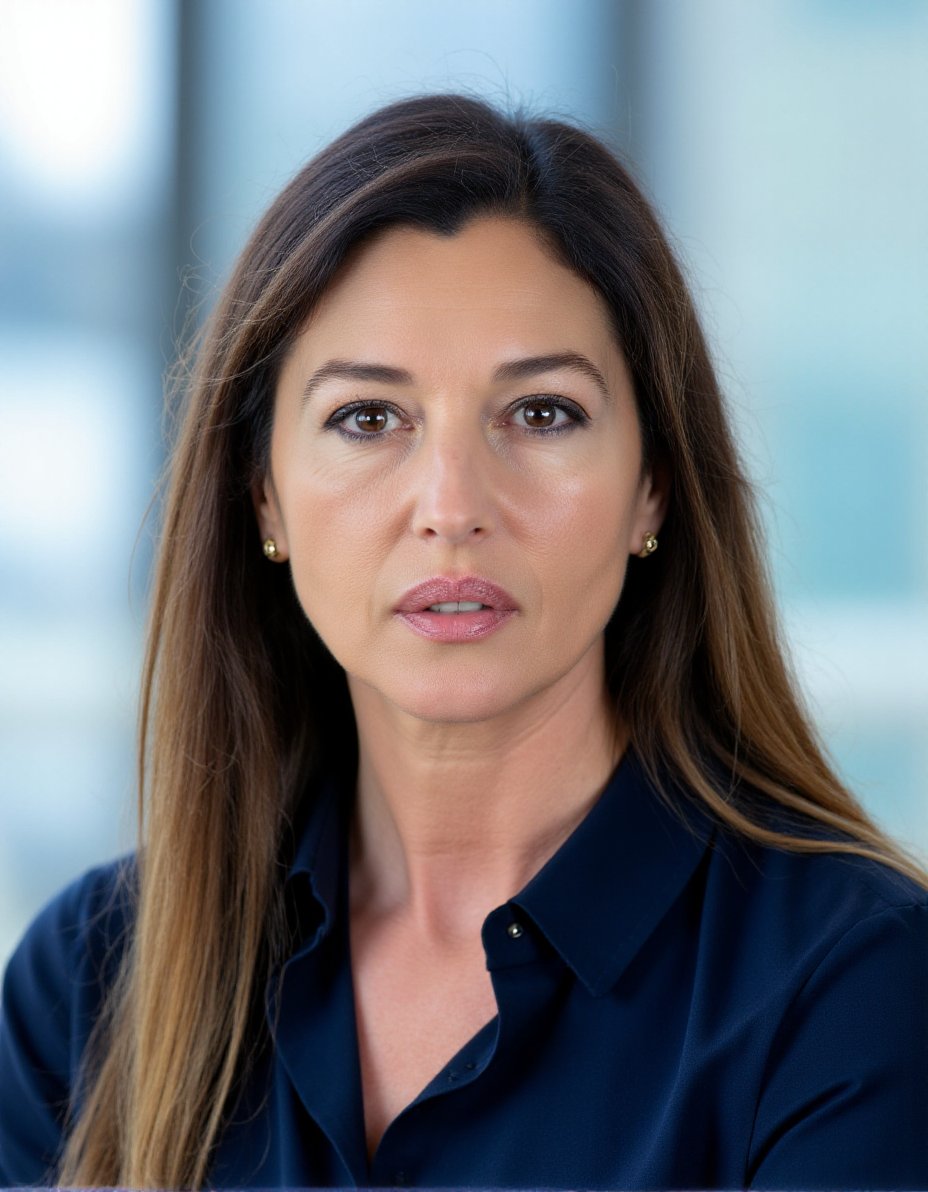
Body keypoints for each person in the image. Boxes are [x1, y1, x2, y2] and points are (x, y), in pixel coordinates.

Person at [1, 93, 926, 1191]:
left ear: (653, 488)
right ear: (263, 499)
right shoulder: (89, 983)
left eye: (540, 414)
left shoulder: (855, 985)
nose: (450, 504)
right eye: (367, 419)